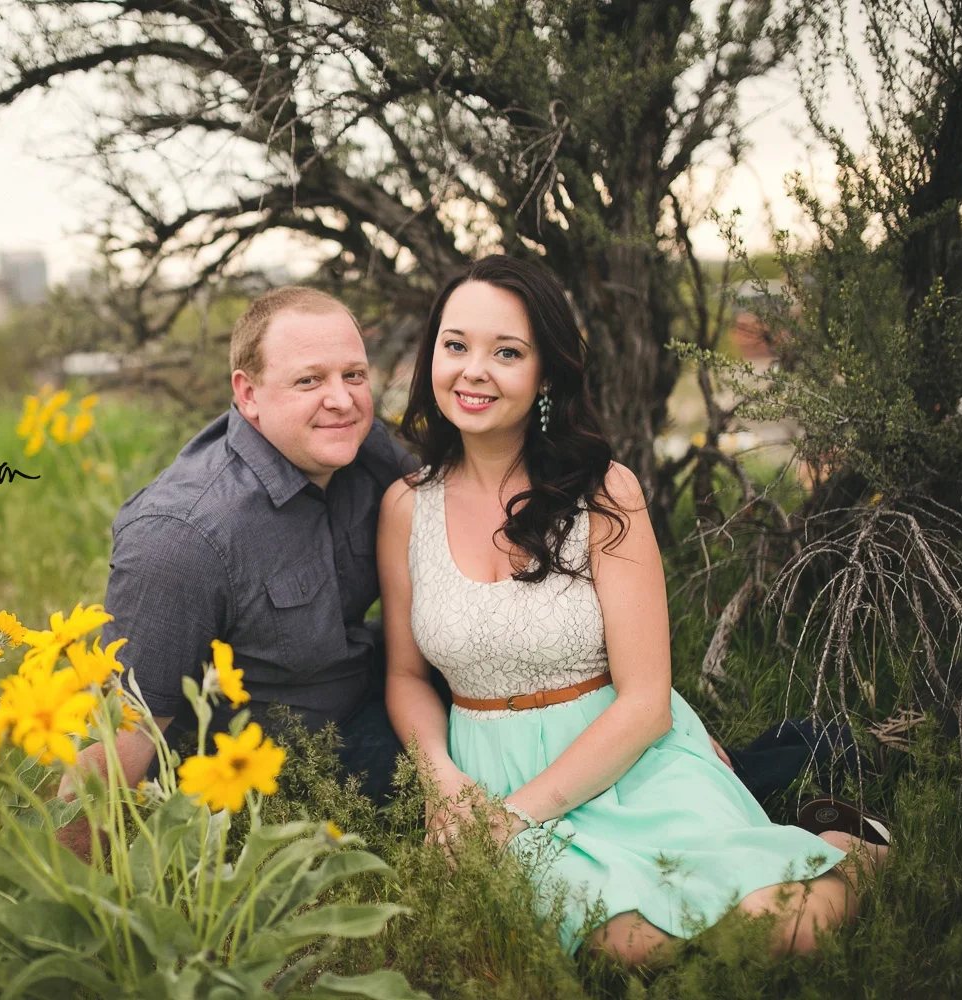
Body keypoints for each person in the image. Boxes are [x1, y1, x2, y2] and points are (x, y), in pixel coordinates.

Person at [378, 255, 889, 964]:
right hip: (488, 771)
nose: (474, 371)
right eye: (456, 345)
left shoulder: (604, 492)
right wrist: (444, 783)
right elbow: (406, 676)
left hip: (624, 755)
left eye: (508, 353)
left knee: (783, 927)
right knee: (629, 944)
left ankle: (855, 848)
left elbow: (647, 701)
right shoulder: (406, 508)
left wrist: (513, 821)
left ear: (546, 374)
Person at [68, 286, 416, 804]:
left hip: (380, 700)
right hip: (265, 787)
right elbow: (119, 744)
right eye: (309, 380)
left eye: (354, 375)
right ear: (248, 394)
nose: (342, 400)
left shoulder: (359, 447)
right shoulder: (183, 538)